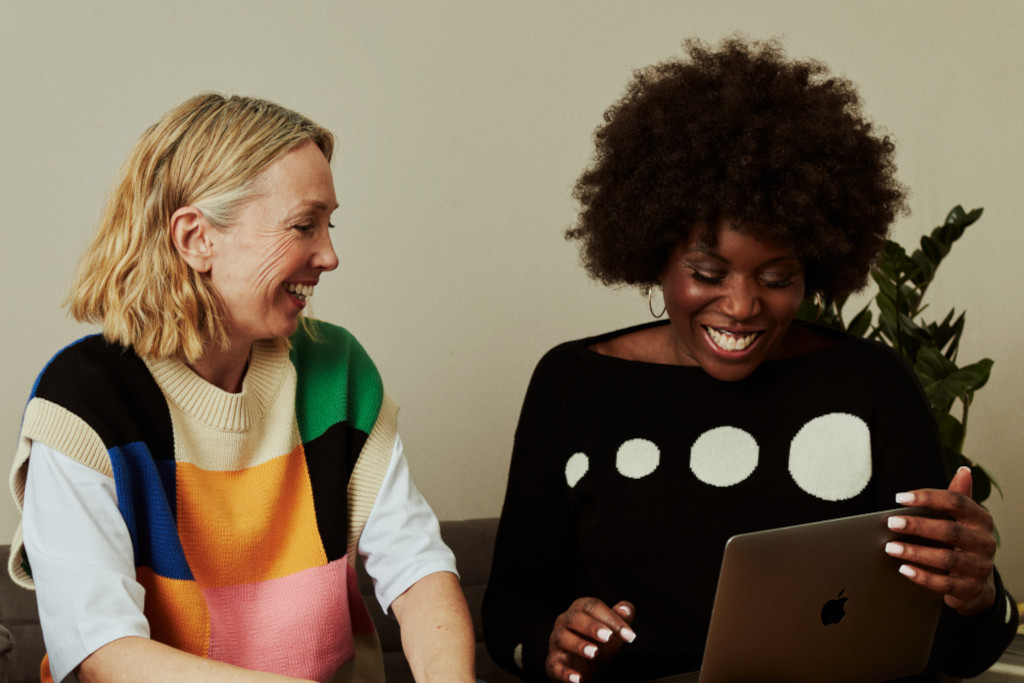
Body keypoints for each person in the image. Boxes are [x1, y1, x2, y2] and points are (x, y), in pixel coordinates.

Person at [481, 37, 1018, 683]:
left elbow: (959, 651)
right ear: (652, 253)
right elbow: (509, 617)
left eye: (776, 276)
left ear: (814, 268)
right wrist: (553, 643)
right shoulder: (574, 384)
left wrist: (979, 593)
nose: (740, 306)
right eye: (707, 272)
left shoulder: (870, 384)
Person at [7, 93, 476, 683]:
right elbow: (105, 653)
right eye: (304, 225)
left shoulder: (338, 366)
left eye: (329, 225)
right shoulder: (84, 399)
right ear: (196, 238)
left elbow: (418, 568)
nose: (329, 255)